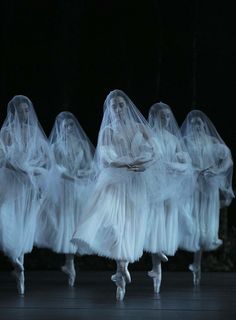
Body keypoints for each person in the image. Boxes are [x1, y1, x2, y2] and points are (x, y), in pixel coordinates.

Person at [71, 89, 160, 300]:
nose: (118, 109)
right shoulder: (107, 131)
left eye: (121, 105)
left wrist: (144, 163)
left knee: (130, 226)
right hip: (114, 182)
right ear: (109, 110)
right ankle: (120, 269)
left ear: (126, 107)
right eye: (114, 106)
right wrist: (129, 162)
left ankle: (121, 271)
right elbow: (106, 158)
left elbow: (156, 151)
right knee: (114, 223)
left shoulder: (140, 127)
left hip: (136, 183)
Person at [35, 111, 94, 286]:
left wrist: (84, 173)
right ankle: (69, 264)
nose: (68, 128)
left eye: (70, 125)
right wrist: (71, 176)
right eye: (64, 126)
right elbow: (55, 169)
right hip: (63, 189)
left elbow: (91, 165)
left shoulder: (82, 144)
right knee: (65, 223)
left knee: (77, 223)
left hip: (79, 189)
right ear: (60, 128)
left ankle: (70, 263)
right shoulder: (55, 147)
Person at [0, 95, 51, 294]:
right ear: (14, 113)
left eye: (26, 110)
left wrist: (35, 172)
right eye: (20, 111)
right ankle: (14, 260)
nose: (24, 113)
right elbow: (2, 157)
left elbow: (46, 158)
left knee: (24, 223)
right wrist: (22, 169)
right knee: (7, 217)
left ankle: (20, 271)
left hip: (29, 185)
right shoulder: (6, 132)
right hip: (12, 182)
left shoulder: (33, 132)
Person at [180, 110, 234, 285]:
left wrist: (217, 171)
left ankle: (197, 264)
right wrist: (191, 171)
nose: (197, 126)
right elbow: (180, 160)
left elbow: (228, 159)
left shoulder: (212, 143)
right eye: (193, 123)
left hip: (208, 188)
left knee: (205, 225)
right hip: (194, 187)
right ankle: (196, 264)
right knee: (194, 222)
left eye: (199, 123)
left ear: (204, 125)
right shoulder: (185, 143)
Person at [145, 102, 194, 293]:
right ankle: (156, 263)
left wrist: (177, 165)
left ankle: (158, 265)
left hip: (170, 187)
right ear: (155, 117)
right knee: (154, 223)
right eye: (162, 116)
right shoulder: (149, 137)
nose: (165, 119)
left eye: (167, 116)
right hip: (154, 187)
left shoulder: (173, 140)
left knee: (165, 222)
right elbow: (145, 158)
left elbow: (184, 161)